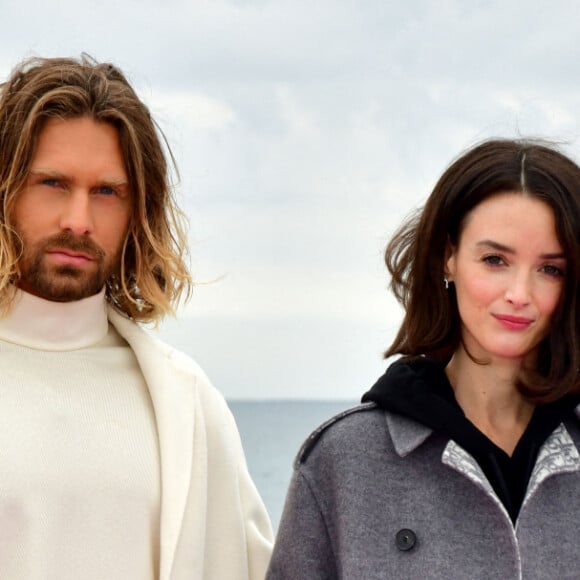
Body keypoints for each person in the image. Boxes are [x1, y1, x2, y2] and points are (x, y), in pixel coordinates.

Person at [0, 55, 273, 580]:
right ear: (5, 192)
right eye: (53, 183)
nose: (78, 221)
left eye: (106, 192)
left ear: (137, 213)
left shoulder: (189, 406)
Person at [267, 139, 580, 578]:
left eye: (551, 269)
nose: (519, 294)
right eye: (495, 260)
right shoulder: (345, 460)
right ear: (447, 257)